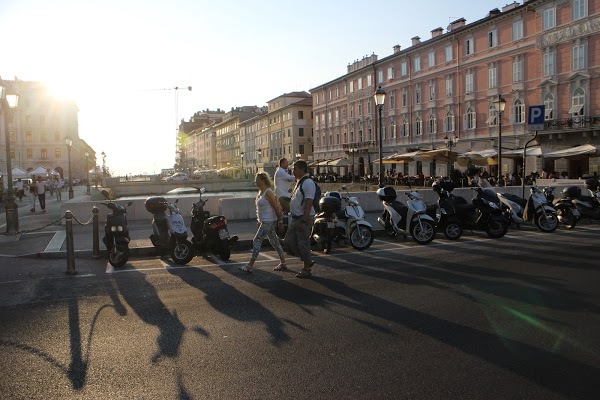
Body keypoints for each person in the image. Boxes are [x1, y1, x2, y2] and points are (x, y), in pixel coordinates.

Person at [238, 173, 287, 273]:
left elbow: (276, 208)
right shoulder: (260, 192)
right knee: (274, 241)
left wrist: (280, 222)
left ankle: (250, 265)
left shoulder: (268, 192)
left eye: (257, 179)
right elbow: (259, 209)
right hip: (264, 221)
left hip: (269, 221)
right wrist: (259, 221)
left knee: (257, 240)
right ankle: (283, 263)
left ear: (263, 181)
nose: (255, 181)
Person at [285, 160, 315, 278]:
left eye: (295, 169)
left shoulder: (308, 183)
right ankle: (307, 259)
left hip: (303, 218)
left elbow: (308, 203)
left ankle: (306, 268)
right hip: (295, 217)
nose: (293, 171)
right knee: (289, 241)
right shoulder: (300, 182)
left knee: (303, 243)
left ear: (302, 169)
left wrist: (304, 221)